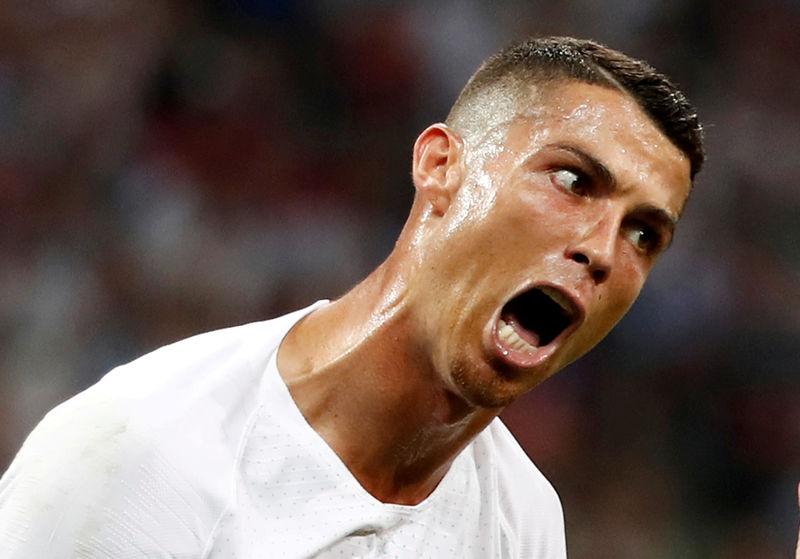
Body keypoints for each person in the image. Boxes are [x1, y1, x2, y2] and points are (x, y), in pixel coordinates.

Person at [0, 37, 704, 558]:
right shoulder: (143, 453)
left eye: (645, 233)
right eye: (574, 181)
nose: (604, 249)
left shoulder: (522, 521)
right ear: (440, 166)